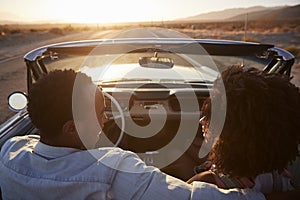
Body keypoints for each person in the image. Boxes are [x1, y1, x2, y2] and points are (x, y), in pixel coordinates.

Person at [0, 69, 265, 200]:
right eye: (100, 112)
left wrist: (202, 175)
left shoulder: (10, 151)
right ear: (71, 128)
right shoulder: (113, 171)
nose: (108, 117)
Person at [187, 66, 300, 196]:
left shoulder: (206, 182)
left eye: (209, 119)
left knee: (177, 152)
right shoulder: (287, 174)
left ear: (228, 139)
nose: (201, 120)